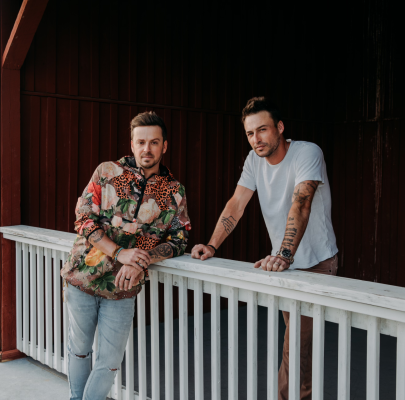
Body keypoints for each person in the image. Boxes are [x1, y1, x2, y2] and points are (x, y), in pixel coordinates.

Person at [191, 97, 338, 400]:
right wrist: (212, 245)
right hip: (285, 265)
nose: (256, 139)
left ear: (280, 128)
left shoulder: (306, 152)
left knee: (296, 346)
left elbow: (302, 203)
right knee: (298, 347)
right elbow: (237, 203)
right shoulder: (254, 160)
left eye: (262, 130)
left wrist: (284, 254)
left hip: (315, 263)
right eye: (249, 133)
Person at [61, 111, 191, 400]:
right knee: (80, 350)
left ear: (164, 146)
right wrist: (119, 252)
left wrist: (142, 259)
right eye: (141, 142)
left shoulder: (174, 191)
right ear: (132, 144)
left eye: (154, 142)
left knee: (109, 362)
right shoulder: (107, 172)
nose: (147, 149)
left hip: (123, 287)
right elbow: (83, 218)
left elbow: (180, 238)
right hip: (82, 277)